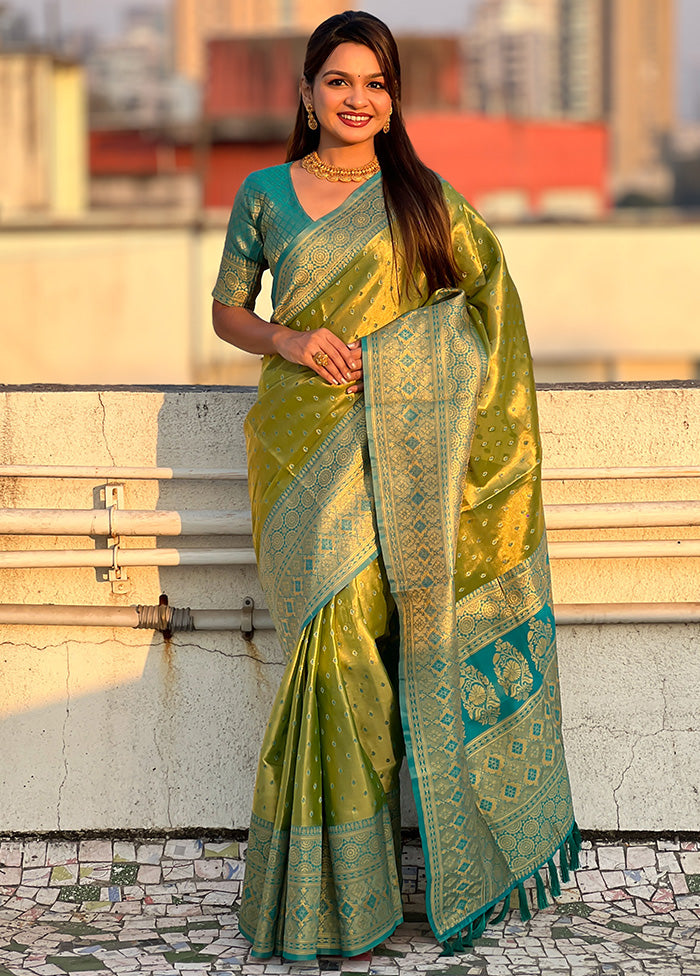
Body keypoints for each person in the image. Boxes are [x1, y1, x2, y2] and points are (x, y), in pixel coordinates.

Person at [212, 10, 579, 962]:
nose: (357, 99)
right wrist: (290, 338)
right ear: (305, 92)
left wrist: (402, 356)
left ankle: (356, 897)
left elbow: (482, 311)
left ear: (393, 98)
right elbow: (227, 312)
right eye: (338, 81)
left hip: (395, 460)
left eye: (375, 83)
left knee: (365, 664)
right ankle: (321, 897)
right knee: (323, 658)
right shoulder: (263, 193)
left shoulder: (421, 199)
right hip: (297, 450)